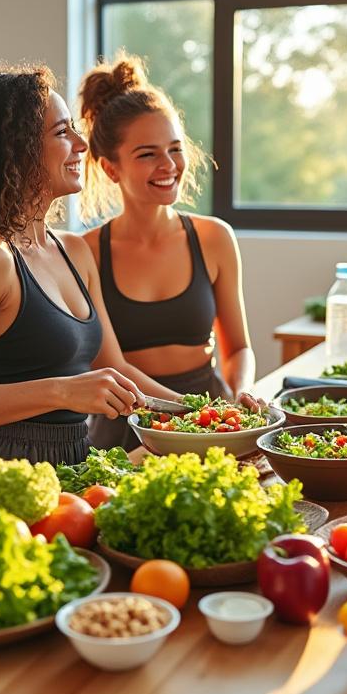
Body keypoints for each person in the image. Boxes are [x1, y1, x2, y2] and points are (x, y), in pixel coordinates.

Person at [0, 64, 179, 496]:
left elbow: (114, 367)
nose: (82, 144)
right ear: (15, 149)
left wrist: (208, 416)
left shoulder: (74, 250)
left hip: (73, 465)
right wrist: (62, 392)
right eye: (62, 133)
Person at [76, 55, 257, 450]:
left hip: (212, 415)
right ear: (110, 168)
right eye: (147, 154)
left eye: (174, 149)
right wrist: (193, 414)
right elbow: (111, 365)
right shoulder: (86, 252)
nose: (168, 165)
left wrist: (240, 394)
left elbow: (239, 347)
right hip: (128, 427)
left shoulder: (214, 238)